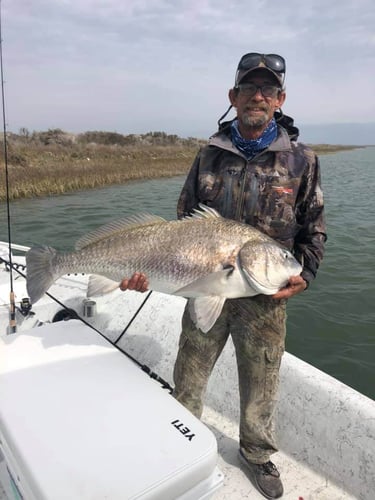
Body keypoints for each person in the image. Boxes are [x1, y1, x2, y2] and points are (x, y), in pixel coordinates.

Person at [120, 52, 326, 499]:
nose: (258, 95)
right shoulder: (208, 154)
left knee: (262, 381)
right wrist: (148, 270)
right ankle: (182, 442)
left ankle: (255, 454)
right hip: (204, 284)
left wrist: (304, 273)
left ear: (280, 99)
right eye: (249, 88)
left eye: (267, 90)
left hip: (265, 297)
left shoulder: (301, 161)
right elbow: (180, 221)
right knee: (189, 373)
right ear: (232, 97)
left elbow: (314, 229)